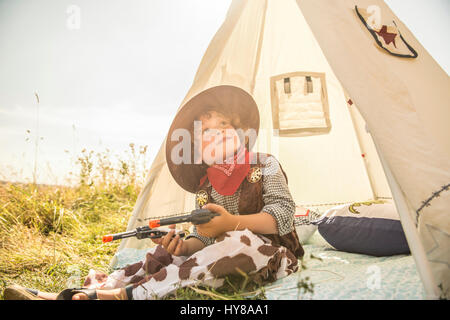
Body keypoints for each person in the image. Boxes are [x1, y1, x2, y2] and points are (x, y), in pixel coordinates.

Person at [4, 85, 304, 300]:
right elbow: (204, 238)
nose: (215, 135)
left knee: (238, 240)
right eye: (205, 132)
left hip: (271, 255)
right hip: (220, 254)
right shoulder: (205, 187)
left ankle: (122, 297)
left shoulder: (263, 163)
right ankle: (80, 295)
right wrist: (182, 247)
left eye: (222, 125)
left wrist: (230, 224)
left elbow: (282, 216)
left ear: (239, 131)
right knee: (161, 254)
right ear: (198, 146)